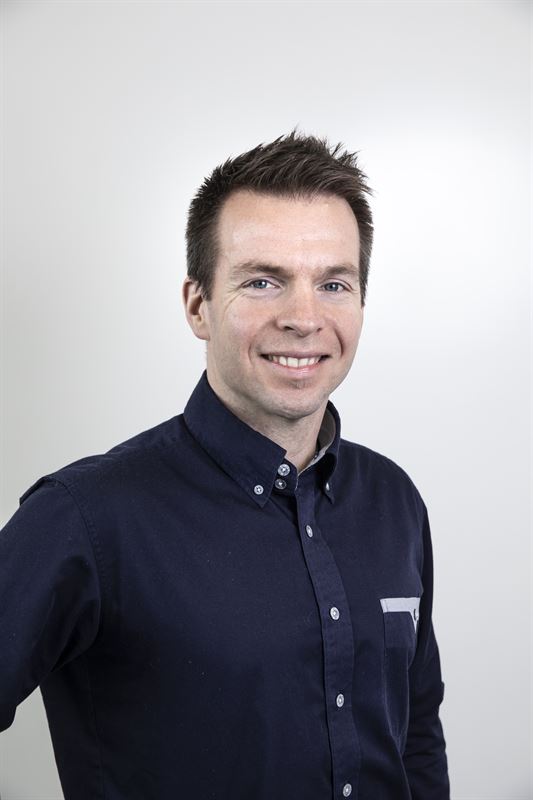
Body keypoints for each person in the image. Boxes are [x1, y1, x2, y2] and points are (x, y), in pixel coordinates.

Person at [0, 131, 450, 799]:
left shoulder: (393, 500)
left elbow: (415, 732)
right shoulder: (86, 518)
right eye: (263, 281)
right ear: (198, 305)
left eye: (333, 283)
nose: (304, 318)